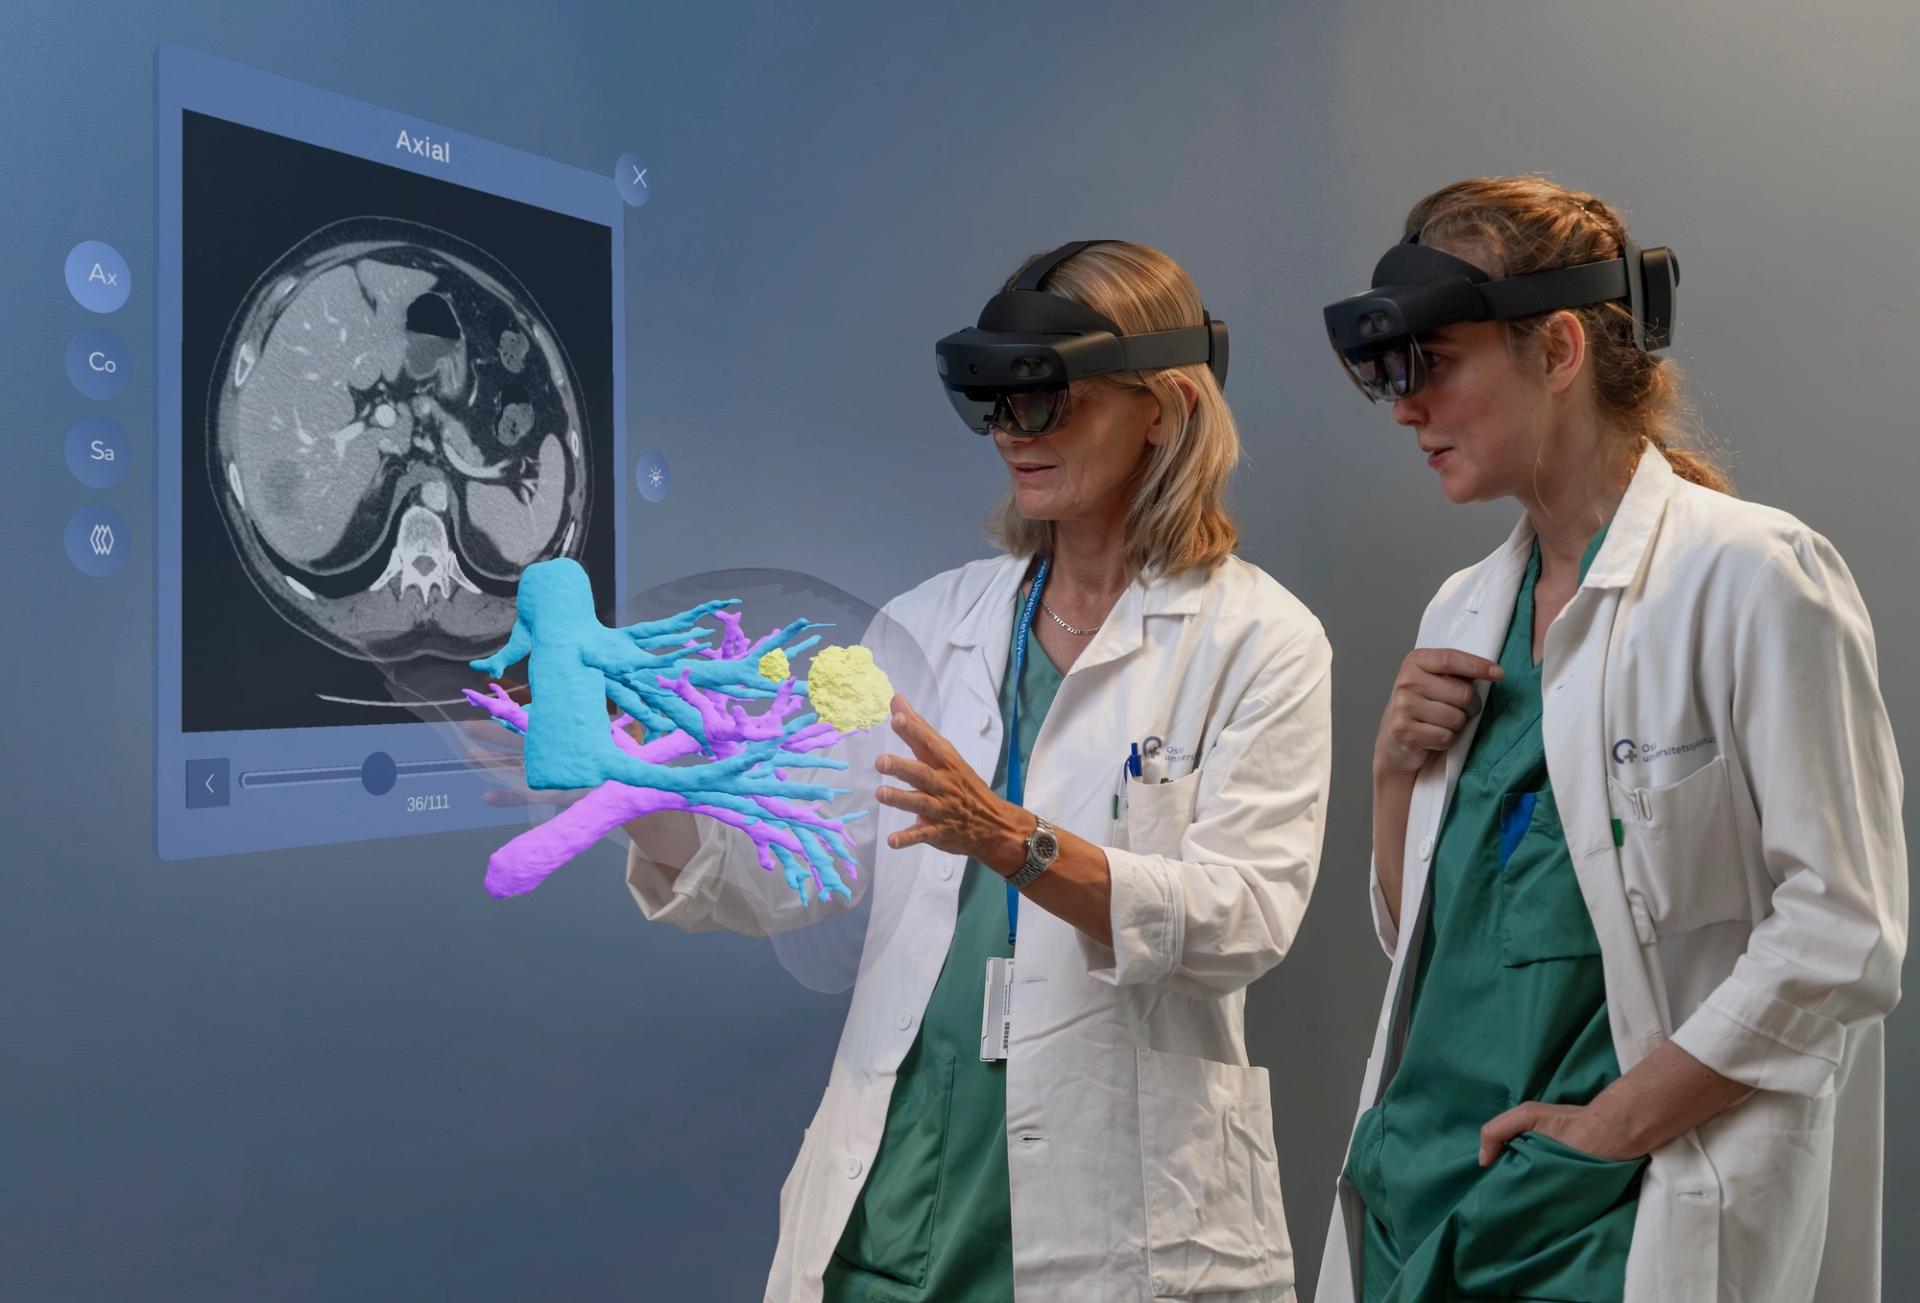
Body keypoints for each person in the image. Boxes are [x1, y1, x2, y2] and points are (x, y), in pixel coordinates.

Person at [625, 239, 1332, 1301]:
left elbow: (1243, 920)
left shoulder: (1262, 640)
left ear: (1166, 408)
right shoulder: (927, 623)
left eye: (1046, 399)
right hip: (901, 1190)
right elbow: (796, 868)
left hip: (1119, 1217)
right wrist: (634, 785)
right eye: (993, 401)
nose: (1012, 431)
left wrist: (1013, 840)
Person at [1313, 177, 1907, 1303]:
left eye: (1432, 362)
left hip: (1604, 1214)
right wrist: (1393, 779)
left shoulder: (1751, 576)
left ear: (1559, 349)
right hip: (1421, 1189)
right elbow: (1428, 944)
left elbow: (1844, 931)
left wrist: (1613, 1127)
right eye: (1390, 373)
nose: (1404, 406)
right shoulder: (1462, 611)